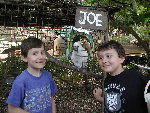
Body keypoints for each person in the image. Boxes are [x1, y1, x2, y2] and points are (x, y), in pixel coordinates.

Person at [93, 40, 148, 113]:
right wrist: (99, 98)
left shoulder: (134, 76)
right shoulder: (107, 80)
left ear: (121, 58)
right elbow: (113, 103)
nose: (104, 60)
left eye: (108, 56)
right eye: (100, 58)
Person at [6, 37, 58, 113]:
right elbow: (11, 109)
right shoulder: (20, 81)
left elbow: (51, 98)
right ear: (24, 58)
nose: (40, 57)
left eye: (42, 52)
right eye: (34, 53)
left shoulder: (48, 76)